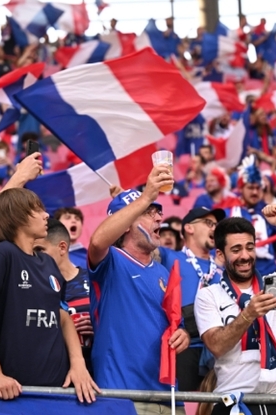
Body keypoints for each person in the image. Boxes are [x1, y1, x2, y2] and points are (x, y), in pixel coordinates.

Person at [0, 189, 98, 402]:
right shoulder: (1, 254)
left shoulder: (48, 264)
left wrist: (78, 363)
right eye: (37, 210)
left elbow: (63, 317)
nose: (46, 215)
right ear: (17, 216)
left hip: (60, 390)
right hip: (17, 393)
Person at [195, 207, 276, 415]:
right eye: (236, 250)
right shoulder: (209, 295)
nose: (245, 256)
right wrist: (247, 315)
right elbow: (216, 346)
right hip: (235, 401)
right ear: (220, 254)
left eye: (250, 247)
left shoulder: (274, 284)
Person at [87, 166, 190, 415]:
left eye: (158, 213)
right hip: (123, 396)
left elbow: (177, 325)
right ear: (123, 225)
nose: (159, 219)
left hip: (169, 397)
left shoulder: (162, 272)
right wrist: (146, 196)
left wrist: (183, 336)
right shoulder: (110, 261)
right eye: (149, 213)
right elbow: (98, 241)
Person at [159, 207, 226, 391]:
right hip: (182, 345)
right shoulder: (169, 256)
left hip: (217, 349)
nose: (214, 228)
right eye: (209, 223)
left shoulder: (223, 268)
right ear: (189, 228)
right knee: (183, 404)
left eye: (216, 225)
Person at [34, 219, 94, 374]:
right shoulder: (31, 287)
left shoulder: (94, 281)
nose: (35, 256)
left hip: (97, 374)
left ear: (62, 247)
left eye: (40, 250)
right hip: (55, 375)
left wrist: (99, 326)